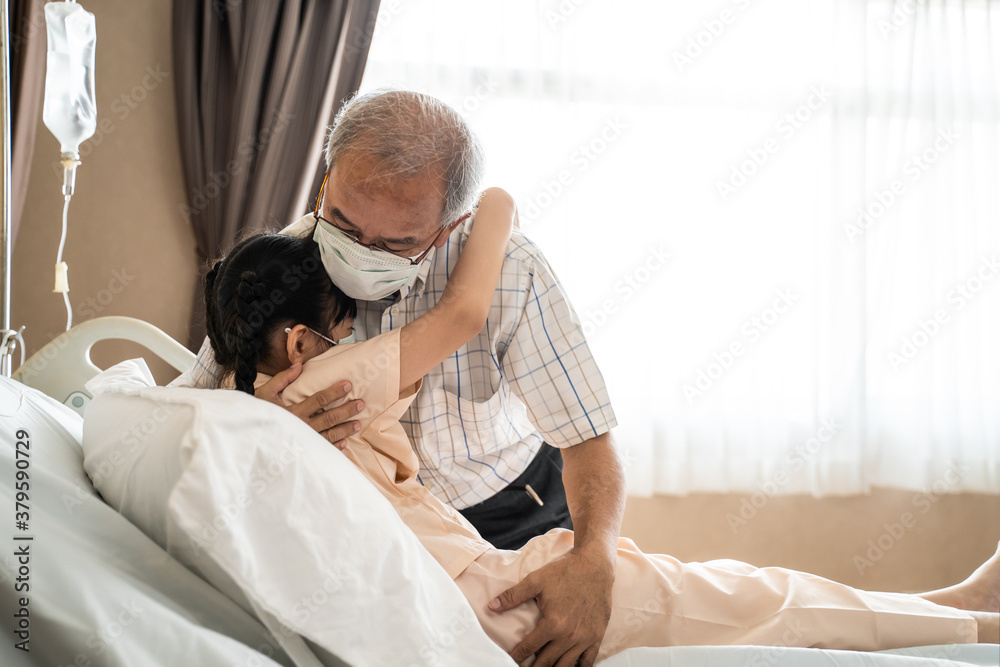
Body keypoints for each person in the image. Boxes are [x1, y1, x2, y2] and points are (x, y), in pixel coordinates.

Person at [202, 227, 999, 667]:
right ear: (305, 339)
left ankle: (943, 609)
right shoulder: (325, 381)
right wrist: (494, 197)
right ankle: (970, 627)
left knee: (731, 595)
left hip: (485, 560)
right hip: (498, 598)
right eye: (345, 318)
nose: (361, 326)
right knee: (745, 602)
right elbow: (466, 307)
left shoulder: (229, 410)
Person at [175, 88, 624, 664]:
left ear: (449, 224)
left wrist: (595, 559)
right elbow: (190, 404)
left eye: (396, 243)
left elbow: (588, 437)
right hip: (365, 521)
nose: (361, 251)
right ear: (325, 180)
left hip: (511, 505)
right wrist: (266, 425)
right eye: (342, 222)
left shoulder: (511, 273)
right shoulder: (285, 263)